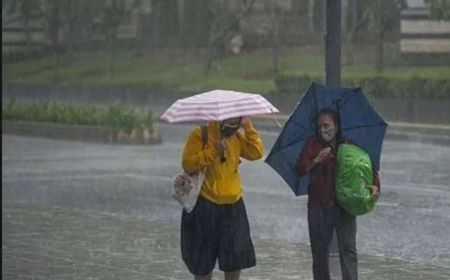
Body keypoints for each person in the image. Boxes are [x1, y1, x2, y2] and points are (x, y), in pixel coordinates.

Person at [295, 108, 380, 280]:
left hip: (344, 206)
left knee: (348, 250)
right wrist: (316, 160)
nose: (323, 129)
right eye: (319, 126)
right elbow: (300, 168)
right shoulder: (313, 145)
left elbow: (368, 168)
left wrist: (375, 186)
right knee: (319, 255)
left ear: (336, 125)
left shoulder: (349, 145)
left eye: (326, 125)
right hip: (318, 206)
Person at [180, 116, 264, 280]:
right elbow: (188, 163)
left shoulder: (237, 137)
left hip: (233, 205)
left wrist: (248, 128)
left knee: (235, 259)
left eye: (237, 120)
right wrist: (212, 151)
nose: (232, 124)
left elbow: (256, 152)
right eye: (229, 119)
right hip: (205, 204)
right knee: (202, 261)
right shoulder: (200, 134)